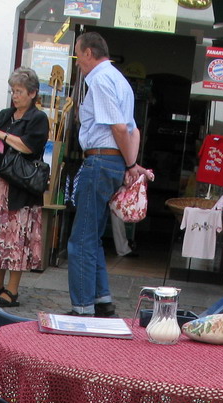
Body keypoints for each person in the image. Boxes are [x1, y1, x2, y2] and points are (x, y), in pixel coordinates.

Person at [67, 32, 141, 317]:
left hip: (99, 160)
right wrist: (130, 163)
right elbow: (134, 130)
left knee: (81, 238)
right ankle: (102, 300)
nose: (77, 63)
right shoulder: (120, 80)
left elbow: (120, 129)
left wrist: (132, 164)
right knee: (94, 235)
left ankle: (83, 307)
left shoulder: (99, 79)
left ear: (88, 53)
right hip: (113, 162)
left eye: (77, 55)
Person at [0, 67, 50, 310]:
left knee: (16, 237)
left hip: (18, 186)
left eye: (19, 91)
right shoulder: (6, 114)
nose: (15, 96)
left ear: (32, 93)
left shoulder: (38, 118)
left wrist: (2, 135)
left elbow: (28, 147)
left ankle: (12, 290)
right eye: (13, 91)